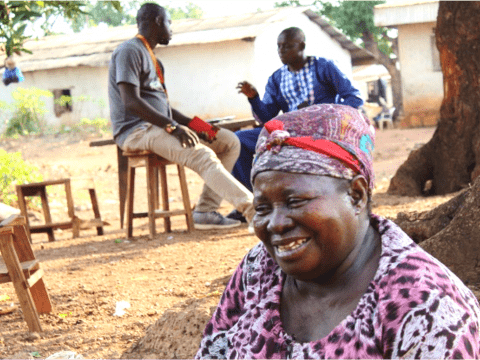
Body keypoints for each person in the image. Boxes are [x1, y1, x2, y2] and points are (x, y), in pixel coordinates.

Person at [196, 104, 480, 359]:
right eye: (262, 208)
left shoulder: (426, 306)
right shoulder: (257, 270)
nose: (276, 223)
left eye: (295, 201)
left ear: (356, 195)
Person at [108, 3, 254, 230]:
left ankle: (205, 211)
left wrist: (200, 126)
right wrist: (172, 127)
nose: (171, 28)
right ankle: (253, 209)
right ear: (157, 21)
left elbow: (166, 109)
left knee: (228, 141)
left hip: (159, 125)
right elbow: (131, 101)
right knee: (202, 155)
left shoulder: (155, 61)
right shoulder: (130, 51)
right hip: (137, 130)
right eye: (169, 22)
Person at [227, 27, 363, 222]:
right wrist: (254, 98)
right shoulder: (277, 78)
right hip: (287, 133)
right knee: (238, 141)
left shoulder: (324, 67)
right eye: (279, 47)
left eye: (288, 46)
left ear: (302, 46)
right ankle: (253, 203)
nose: (282, 51)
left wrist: (325, 114)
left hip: (321, 130)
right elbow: (266, 117)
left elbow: (353, 97)